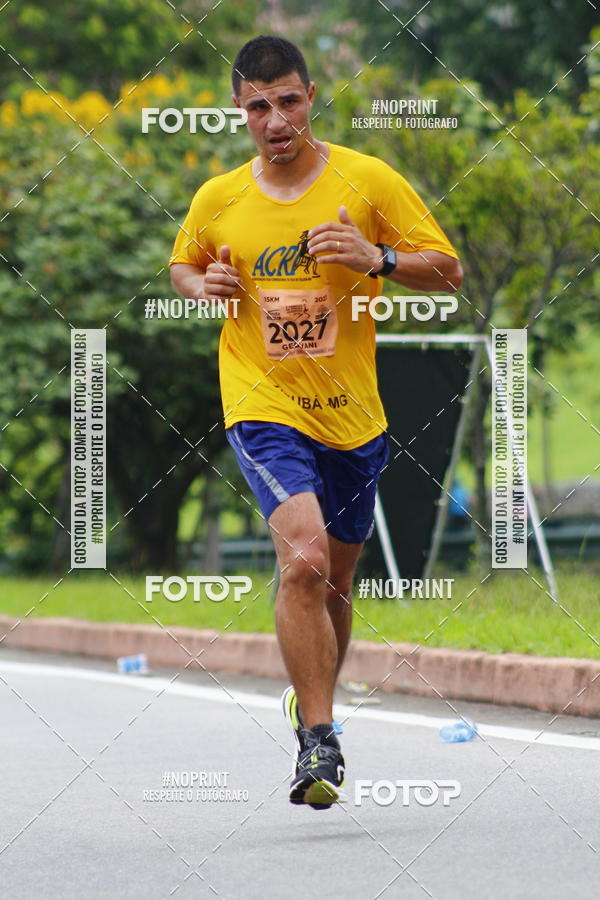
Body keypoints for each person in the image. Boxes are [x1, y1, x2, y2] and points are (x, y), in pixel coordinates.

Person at [169, 35, 463, 810]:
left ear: (311, 97)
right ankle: (320, 741)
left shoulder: (367, 180)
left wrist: (377, 258)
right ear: (239, 110)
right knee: (302, 560)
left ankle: (313, 703)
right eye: (258, 106)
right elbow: (184, 262)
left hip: (353, 415)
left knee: (336, 579)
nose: (276, 120)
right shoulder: (219, 197)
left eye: (289, 101)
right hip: (262, 404)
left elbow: (448, 270)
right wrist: (202, 287)